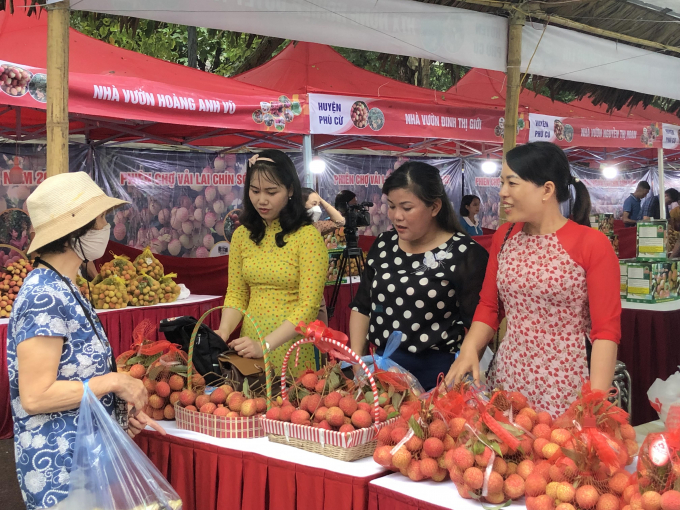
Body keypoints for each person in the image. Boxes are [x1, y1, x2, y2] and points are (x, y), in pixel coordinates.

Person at [7, 172, 165, 510]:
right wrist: (112, 382)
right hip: (60, 473)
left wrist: (115, 415)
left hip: (84, 463)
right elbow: (35, 396)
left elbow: (73, 378)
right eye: (102, 219)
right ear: (75, 230)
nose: (107, 227)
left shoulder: (65, 286)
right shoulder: (43, 295)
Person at [446, 142, 620, 418]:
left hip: (566, 386)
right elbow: (489, 307)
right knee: (506, 455)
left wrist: (592, 404)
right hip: (508, 377)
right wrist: (469, 349)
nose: (502, 192)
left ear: (547, 190)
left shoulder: (592, 244)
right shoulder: (504, 235)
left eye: (512, 183)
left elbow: (605, 333)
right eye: (502, 182)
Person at [349, 162, 489, 390]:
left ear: (434, 207)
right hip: (382, 374)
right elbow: (363, 306)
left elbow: (479, 322)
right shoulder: (384, 244)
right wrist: (357, 358)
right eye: (392, 206)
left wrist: (456, 376)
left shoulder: (464, 254)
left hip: (438, 379)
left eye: (407, 208)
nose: (396, 216)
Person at [216, 150, 327, 374]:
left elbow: (308, 307)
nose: (261, 200)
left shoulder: (307, 237)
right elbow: (237, 293)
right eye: (255, 191)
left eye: (271, 192)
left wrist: (264, 345)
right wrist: (223, 332)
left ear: (290, 190)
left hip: (291, 346)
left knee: (291, 406)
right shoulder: (242, 236)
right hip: (250, 344)